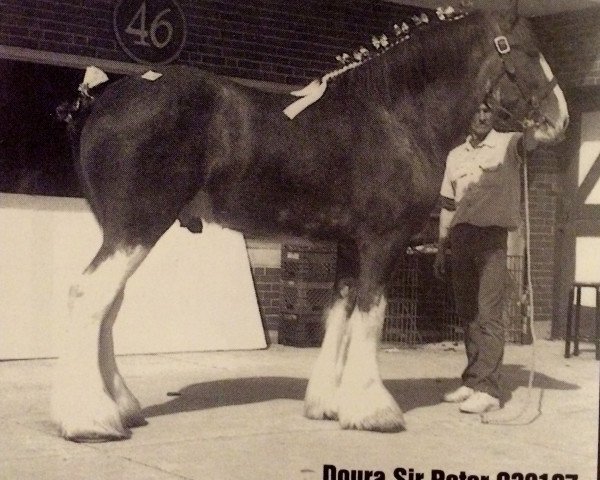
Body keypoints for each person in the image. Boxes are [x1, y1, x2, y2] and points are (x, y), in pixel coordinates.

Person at [433, 103, 537, 414]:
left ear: (494, 116)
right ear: (466, 115)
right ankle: (473, 379)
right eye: (476, 110)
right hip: (461, 238)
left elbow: (530, 143)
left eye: (487, 111)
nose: (481, 116)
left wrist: (531, 125)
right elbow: (448, 206)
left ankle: (489, 390)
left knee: (489, 312)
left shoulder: (508, 143)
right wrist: (441, 247)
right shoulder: (455, 156)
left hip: (492, 238)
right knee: (468, 313)